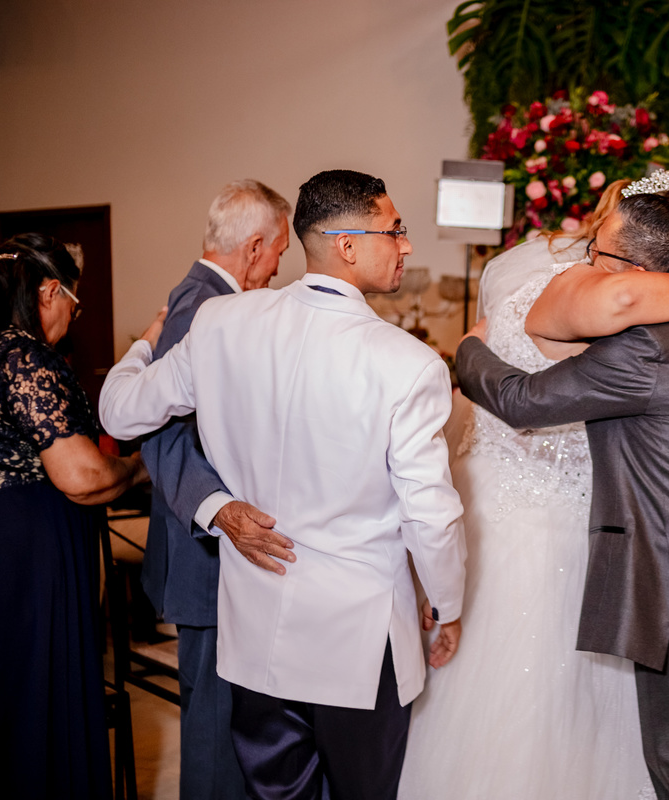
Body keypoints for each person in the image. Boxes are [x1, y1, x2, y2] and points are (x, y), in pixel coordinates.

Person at [99, 169, 467, 800]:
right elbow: (430, 514)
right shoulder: (408, 364)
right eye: (396, 230)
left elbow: (118, 413)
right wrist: (447, 603)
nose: (406, 245)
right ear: (347, 245)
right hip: (356, 647)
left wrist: (144, 346)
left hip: (256, 639)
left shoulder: (219, 324)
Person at [398, 175, 669, 800]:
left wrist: (469, 348)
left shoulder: (648, 347)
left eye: (599, 253)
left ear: (636, 272)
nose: (586, 260)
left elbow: (523, 401)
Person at [140, 179, 298, 800]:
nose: (279, 265)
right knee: (214, 731)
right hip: (205, 556)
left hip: (216, 557)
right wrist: (222, 509)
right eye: (279, 250)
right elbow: (161, 433)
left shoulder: (210, 300)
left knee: (229, 722)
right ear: (255, 247)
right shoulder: (202, 308)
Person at [0, 233, 149, 799]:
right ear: (50, 291)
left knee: (0, 690)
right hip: (27, 549)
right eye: (74, 306)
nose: (72, 320)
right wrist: (137, 467)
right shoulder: (21, 355)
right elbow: (81, 475)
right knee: (36, 690)